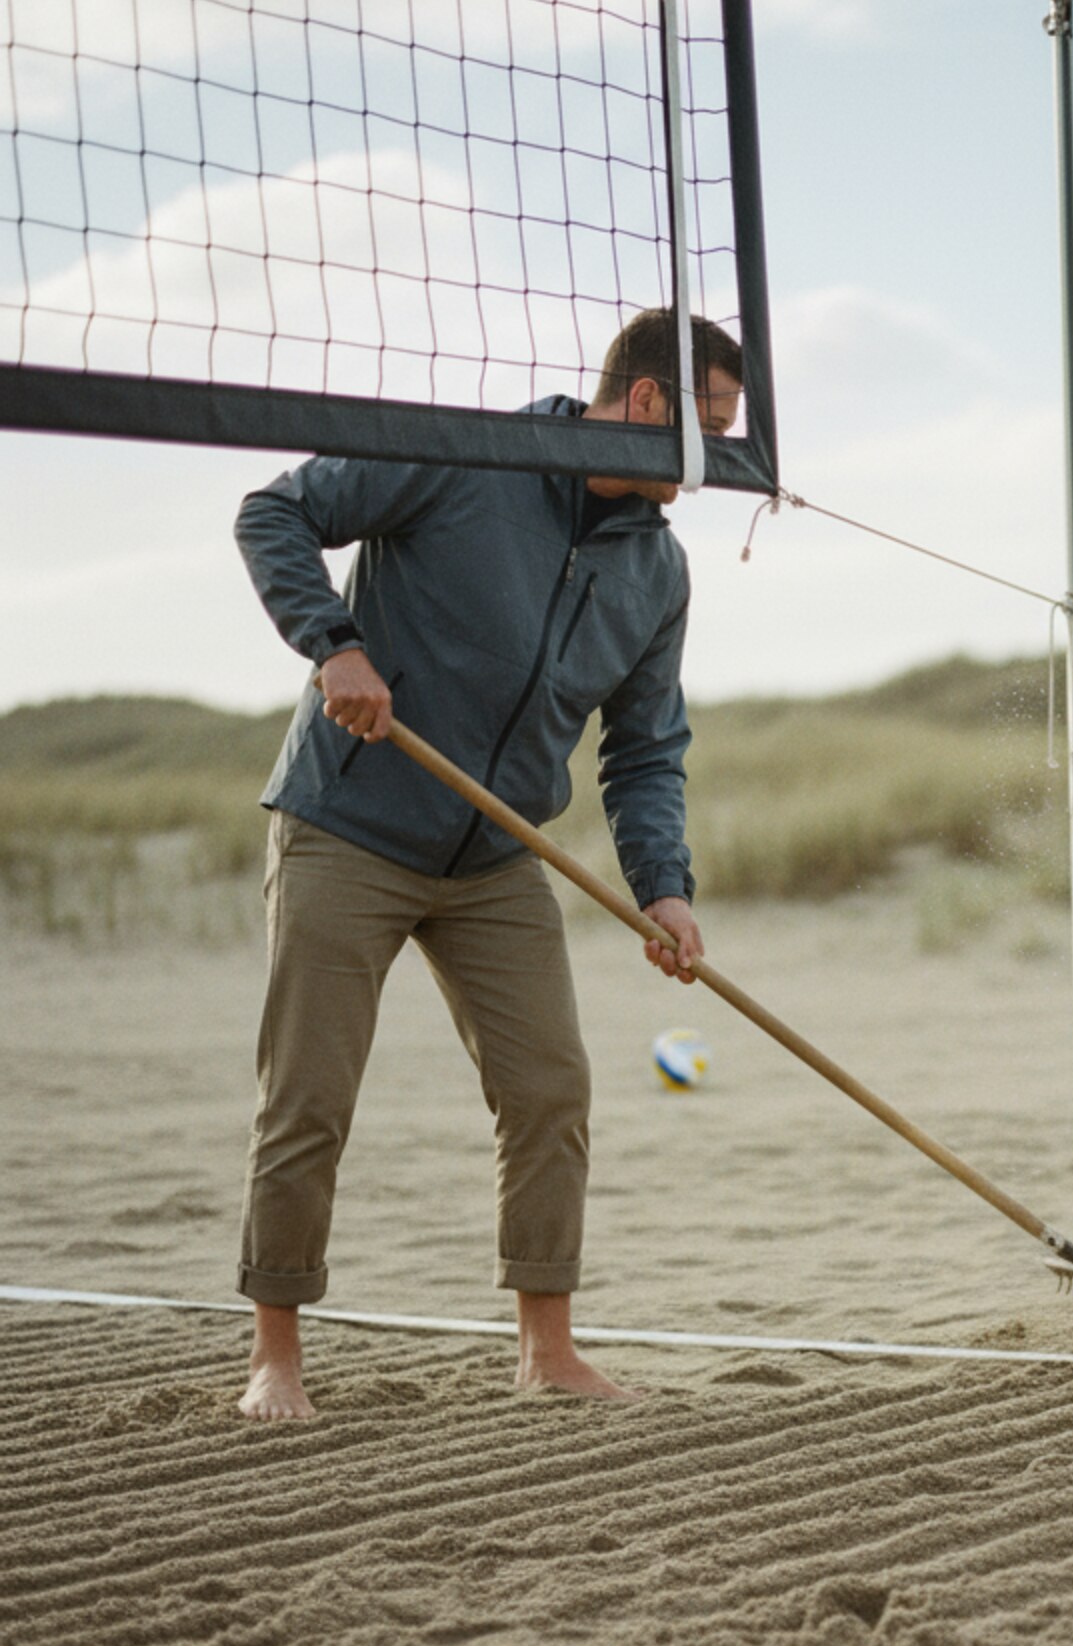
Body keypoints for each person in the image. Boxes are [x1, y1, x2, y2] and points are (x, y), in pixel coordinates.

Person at [230, 310, 744, 1419]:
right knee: (309, 1097)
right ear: (647, 405)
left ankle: (545, 1349)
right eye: (705, 430)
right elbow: (276, 510)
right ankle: (275, 1356)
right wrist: (336, 642)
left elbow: (645, 745)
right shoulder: (465, 454)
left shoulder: (658, 571)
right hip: (349, 825)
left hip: (497, 857)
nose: (712, 463)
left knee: (549, 1088)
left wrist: (664, 887)